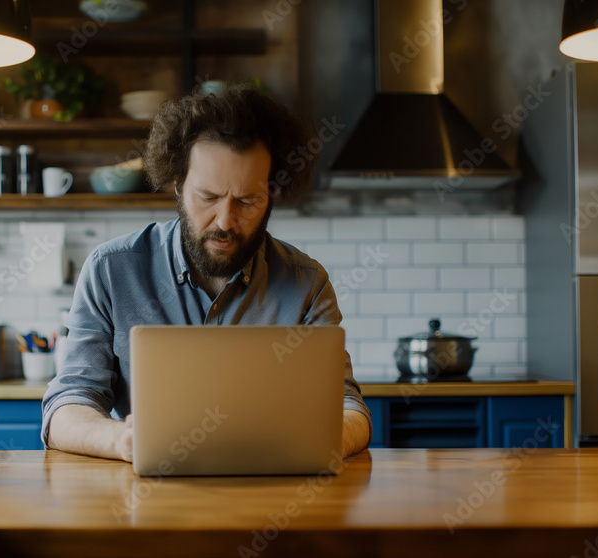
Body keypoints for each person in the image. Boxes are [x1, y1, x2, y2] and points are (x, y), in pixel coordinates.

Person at [41, 86, 371, 462]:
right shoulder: (111, 270)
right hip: (145, 502)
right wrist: (120, 440)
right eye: (208, 198)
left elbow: (349, 408)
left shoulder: (307, 283)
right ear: (179, 185)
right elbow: (66, 406)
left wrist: (324, 441)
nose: (226, 222)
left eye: (247, 201)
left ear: (272, 195)